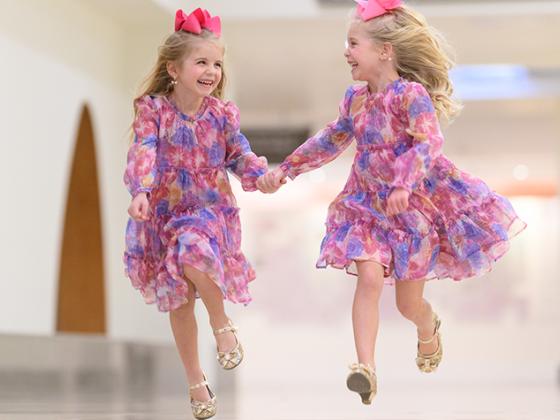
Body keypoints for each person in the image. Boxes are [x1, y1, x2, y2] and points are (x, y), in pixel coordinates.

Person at [257, 0, 525, 405]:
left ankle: (427, 325)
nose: (346, 52)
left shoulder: (410, 96)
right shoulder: (355, 99)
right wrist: (288, 169)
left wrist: (404, 182)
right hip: (365, 207)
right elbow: (331, 138)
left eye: (353, 43)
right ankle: (365, 367)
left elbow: (429, 141)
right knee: (367, 277)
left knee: (406, 303)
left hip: (412, 210)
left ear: (384, 50)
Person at [124, 8, 268, 419]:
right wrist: (140, 190)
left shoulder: (222, 115)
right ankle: (195, 382)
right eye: (201, 62)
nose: (211, 71)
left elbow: (239, 154)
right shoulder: (154, 110)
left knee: (193, 251)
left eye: (217, 63)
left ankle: (222, 326)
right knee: (180, 300)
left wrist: (263, 176)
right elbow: (143, 150)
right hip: (161, 211)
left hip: (208, 208)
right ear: (174, 68)